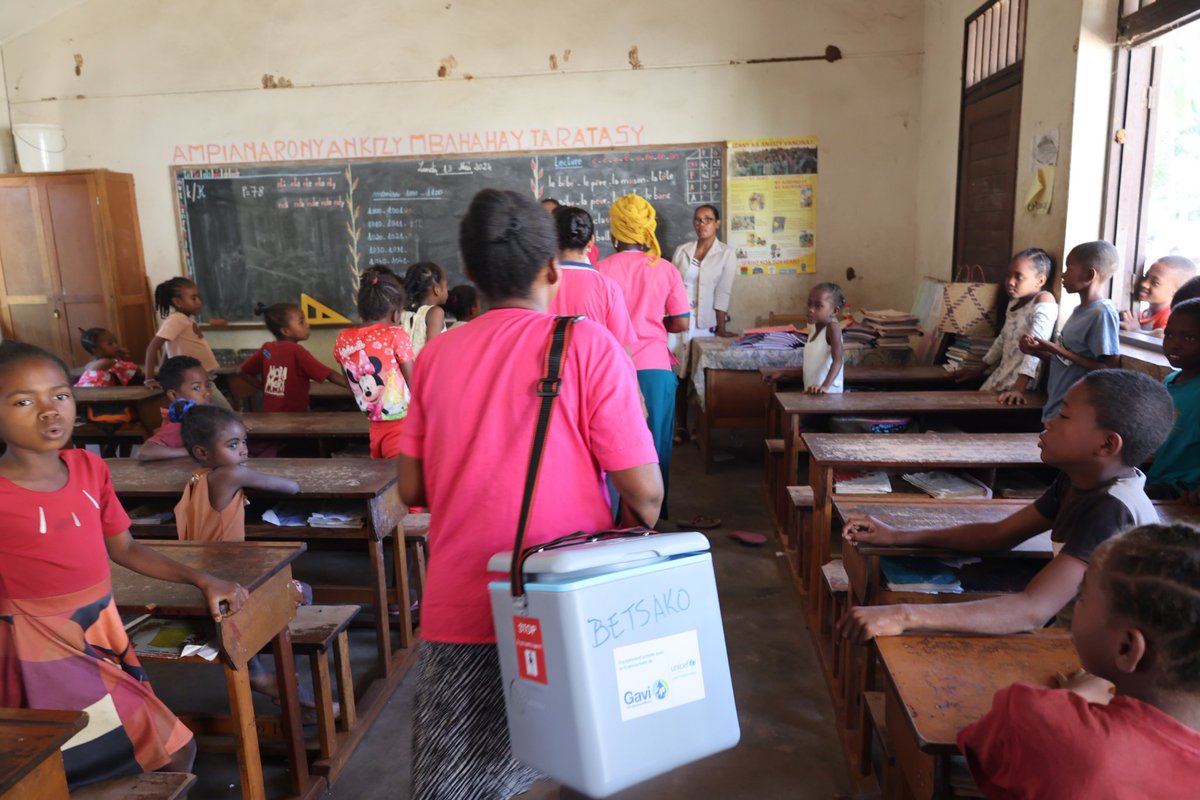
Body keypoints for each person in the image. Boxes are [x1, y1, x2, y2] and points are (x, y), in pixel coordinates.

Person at [398, 189, 662, 800]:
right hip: (568, 600)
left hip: (464, 599)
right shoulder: (590, 346)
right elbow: (645, 497)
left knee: (461, 782)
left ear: (468, 275)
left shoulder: (435, 358)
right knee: (585, 764)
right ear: (552, 271)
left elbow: (412, 488)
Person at [0, 340, 247, 790]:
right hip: (39, 650)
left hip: (99, 633)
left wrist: (203, 578)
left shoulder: (91, 469)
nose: (49, 411)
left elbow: (126, 549)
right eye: (22, 401)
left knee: (164, 749)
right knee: (76, 766)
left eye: (59, 395)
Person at [838, 369, 1172, 643]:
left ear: (1106, 444)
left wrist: (904, 615)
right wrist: (898, 536)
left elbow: (1032, 609)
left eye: (1065, 415)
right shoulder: (1079, 480)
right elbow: (997, 535)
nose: (1050, 422)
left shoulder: (1111, 508)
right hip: (1081, 631)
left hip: (1111, 654)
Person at [957, 523, 1200, 799]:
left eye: (1081, 597)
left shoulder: (1037, 718)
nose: (1075, 605)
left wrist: (1074, 696)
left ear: (1126, 647)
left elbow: (982, 748)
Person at [598, 194, 690, 516]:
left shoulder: (599, 270)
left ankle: (611, 518)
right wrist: (653, 321)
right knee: (654, 449)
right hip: (654, 367)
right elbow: (680, 322)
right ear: (647, 230)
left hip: (610, 371)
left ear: (613, 234)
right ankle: (649, 524)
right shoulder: (664, 269)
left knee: (611, 450)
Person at [1021, 241, 1121, 422]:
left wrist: (1055, 348)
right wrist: (1037, 351)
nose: (1063, 275)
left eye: (1069, 268)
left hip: (1075, 412)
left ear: (1089, 275)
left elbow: (1109, 368)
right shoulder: (1079, 310)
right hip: (1056, 404)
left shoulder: (1102, 313)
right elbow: (1067, 362)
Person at [173, 402, 300, 541]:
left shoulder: (196, 477)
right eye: (233, 445)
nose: (244, 450)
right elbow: (293, 487)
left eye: (244, 441)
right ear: (202, 452)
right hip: (223, 558)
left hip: (196, 556)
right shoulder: (232, 474)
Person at [670, 205, 738, 441]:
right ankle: (680, 427)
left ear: (717, 223)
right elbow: (672, 286)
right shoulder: (683, 250)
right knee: (678, 374)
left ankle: (700, 426)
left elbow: (723, 292)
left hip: (705, 322)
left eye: (707, 220)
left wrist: (721, 328)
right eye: (698, 220)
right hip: (680, 320)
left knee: (702, 375)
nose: (702, 225)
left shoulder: (726, 253)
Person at [956, 248, 1057, 404]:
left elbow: (1035, 348)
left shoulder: (1044, 300)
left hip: (1022, 385)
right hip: (1001, 376)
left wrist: (1019, 388)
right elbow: (1002, 339)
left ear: (1040, 281)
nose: (1010, 281)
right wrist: (978, 370)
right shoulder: (1014, 302)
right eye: (1008, 275)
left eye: (1019, 277)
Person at [334, 266, 415, 458]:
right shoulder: (396, 335)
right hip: (403, 426)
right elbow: (416, 383)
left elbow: (350, 381)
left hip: (374, 424)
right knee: (398, 482)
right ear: (396, 314)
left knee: (382, 478)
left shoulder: (343, 338)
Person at [547, 205, 637, 353]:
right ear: (591, 242)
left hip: (544, 373)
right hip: (593, 372)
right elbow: (621, 347)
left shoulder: (538, 284)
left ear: (551, 240)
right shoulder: (607, 287)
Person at [239, 302, 349, 412]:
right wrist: (355, 387)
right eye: (301, 322)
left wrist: (262, 387)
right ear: (286, 331)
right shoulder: (297, 351)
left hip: (270, 417)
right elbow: (328, 374)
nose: (307, 325)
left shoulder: (267, 349)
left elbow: (242, 371)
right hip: (295, 417)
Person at [143, 277, 230, 408]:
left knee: (217, 416)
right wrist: (149, 379)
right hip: (195, 380)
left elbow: (168, 349)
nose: (199, 302)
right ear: (178, 302)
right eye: (194, 298)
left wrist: (162, 373)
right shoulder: (176, 319)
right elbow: (152, 347)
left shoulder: (185, 320)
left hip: (202, 378)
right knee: (227, 414)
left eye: (199, 297)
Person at [1145, 298, 1200, 502]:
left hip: (1184, 491)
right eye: (1168, 334)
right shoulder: (1171, 380)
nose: (1175, 343)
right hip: (1157, 478)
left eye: (1190, 338)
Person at [136, 355, 212, 462]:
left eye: (208, 385)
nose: (207, 393)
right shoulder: (180, 423)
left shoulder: (199, 416)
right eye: (197, 388)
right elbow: (144, 452)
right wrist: (190, 452)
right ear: (173, 395)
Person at [1120, 255, 1197, 336]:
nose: (1144, 284)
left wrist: (1137, 331)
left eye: (1155, 283)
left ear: (1177, 290)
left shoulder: (1172, 317)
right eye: (1145, 277)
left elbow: (1163, 336)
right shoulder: (1142, 314)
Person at [802, 282, 846, 395]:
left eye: (818, 306)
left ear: (834, 311)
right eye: (809, 304)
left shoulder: (833, 328)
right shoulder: (812, 333)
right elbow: (813, 367)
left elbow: (838, 361)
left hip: (828, 396)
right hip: (813, 394)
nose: (810, 309)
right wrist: (783, 373)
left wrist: (824, 387)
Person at [400, 262, 448, 356]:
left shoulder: (401, 313)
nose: (447, 289)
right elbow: (433, 350)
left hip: (404, 370)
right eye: (446, 285)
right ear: (437, 289)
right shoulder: (435, 313)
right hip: (424, 369)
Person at [75, 327, 142, 388]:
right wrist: (120, 357)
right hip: (89, 397)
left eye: (116, 342)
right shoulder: (105, 363)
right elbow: (136, 369)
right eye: (110, 344)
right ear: (96, 350)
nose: (116, 346)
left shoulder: (91, 364)